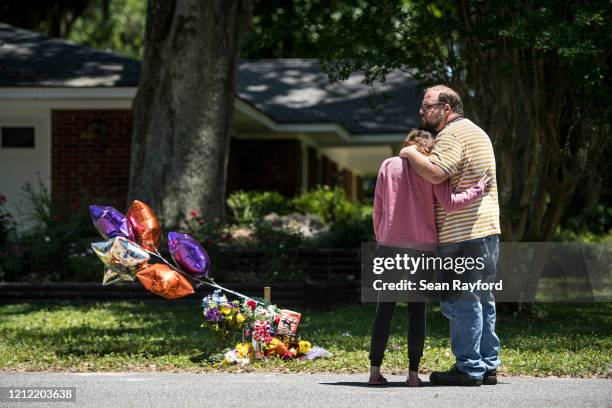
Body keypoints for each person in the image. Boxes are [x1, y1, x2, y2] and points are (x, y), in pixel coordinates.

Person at [368, 128, 489, 387]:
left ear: (408, 144)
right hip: (422, 249)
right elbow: (451, 203)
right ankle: (413, 376)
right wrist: (478, 189)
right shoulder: (432, 169)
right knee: (416, 310)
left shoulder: (388, 165)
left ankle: (374, 372)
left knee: (384, 310)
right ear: (429, 149)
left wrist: (382, 240)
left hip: (389, 247)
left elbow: (377, 209)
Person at [399, 85, 501, 386]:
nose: (421, 111)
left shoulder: (451, 135)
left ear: (446, 109)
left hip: (463, 233)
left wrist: (408, 152)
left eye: (426, 105)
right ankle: (487, 365)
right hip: (487, 230)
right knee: (483, 299)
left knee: (461, 300)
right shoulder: (477, 132)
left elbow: (436, 172)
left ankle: (469, 368)